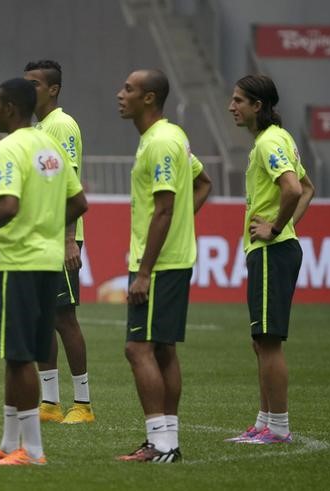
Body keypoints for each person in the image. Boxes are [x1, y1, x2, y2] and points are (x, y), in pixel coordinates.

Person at [0, 78, 88, 465]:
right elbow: (80, 201)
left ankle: (32, 450)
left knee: (18, 357)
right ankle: (9, 443)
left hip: (19, 263)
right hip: (48, 260)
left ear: (11, 109)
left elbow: (7, 207)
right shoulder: (49, 145)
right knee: (16, 356)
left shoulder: (8, 148)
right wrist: (49, 227)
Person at [115, 69, 212, 463]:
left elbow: (165, 207)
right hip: (170, 260)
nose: (120, 94)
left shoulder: (161, 143)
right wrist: (181, 227)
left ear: (149, 98)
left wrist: (143, 272)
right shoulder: (169, 138)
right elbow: (203, 182)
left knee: (138, 349)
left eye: (128, 89)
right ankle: (168, 442)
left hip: (158, 265)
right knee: (164, 350)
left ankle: (161, 444)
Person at [225, 74, 314, 444]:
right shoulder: (275, 139)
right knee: (261, 340)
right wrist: (287, 227)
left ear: (257, 106)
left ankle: (277, 428)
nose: (232, 106)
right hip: (273, 250)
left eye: (239, 100)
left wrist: (277, 228)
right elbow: (308, 188)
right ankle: (264, 422)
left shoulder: (269, 141)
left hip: (271, 251)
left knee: (269, 341)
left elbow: (293, 189)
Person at [23, 59, 94, 424]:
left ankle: (82, 403)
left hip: (59, 240)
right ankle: (50, 403)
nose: (27, 89)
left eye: (34, 84)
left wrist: (69, 240)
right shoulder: (39, 128)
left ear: (54, 89)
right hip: (38, 238)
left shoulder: (61, 125)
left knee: (65, 318)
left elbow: (72, 186)